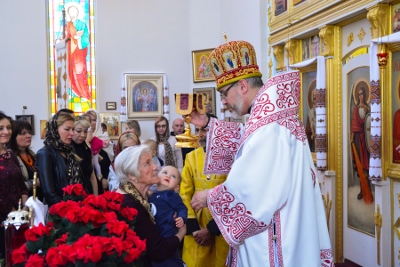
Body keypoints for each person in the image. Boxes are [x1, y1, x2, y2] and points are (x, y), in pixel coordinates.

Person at [189, 40, 333, 266]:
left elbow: (256, 187)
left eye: (224, 93)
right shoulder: (269, 119)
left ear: (243, 86)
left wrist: (211, 197)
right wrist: (209, 123)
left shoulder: (269, 128)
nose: (224, 102)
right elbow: (247, 147)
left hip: (275, 239)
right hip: (286, 227)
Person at [115, 145, 186, 267]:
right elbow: (158, 251)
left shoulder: (138, 196)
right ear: (133, 175)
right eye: (147, 163)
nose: (156, 167)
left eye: (152, 161)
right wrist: (181, 233)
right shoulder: (131, 205)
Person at [180, 120, 229, 267]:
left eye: (205, 130)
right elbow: (185, 193)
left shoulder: (230, 158)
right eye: (198, 130)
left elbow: (232, 195)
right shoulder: (191, 157)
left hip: (220, 229)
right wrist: (195, 229)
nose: (200, 135)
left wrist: (212, 229)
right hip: (196, 230)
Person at [35, 112, 85, 206]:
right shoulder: (45, 154)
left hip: (76, 206)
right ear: (55, 130)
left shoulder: (68, 151)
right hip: (59, 211)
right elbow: (49, 193)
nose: (72, 133)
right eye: (67, 129)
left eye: (73, 129)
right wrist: (69, 208)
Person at [0, 111, 28, 264]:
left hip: (16, 221)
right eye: (1, 128)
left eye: (9, 127)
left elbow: (22, 185)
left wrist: (23, 208)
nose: (6, 132)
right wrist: (10, 211)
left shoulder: (10, 155)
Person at [149, 165, 187, 266]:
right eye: (165, 173)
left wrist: (182, 218)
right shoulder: (151, 195)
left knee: (170, 257)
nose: (168, 176)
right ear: (157, 176)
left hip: (167, 233)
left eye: (173, 176)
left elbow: (182, 208)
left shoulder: (172, 196)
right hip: (156, 233)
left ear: (176, 187)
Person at [9, 120, 44, 201]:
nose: (29, 136)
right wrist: (34, 182)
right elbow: (14, 186)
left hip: (38, 200)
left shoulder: (32, 154)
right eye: (23, 133)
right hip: (23, 202)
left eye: (29, 132)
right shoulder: (11, 157)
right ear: (14, 137)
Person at [64, 2, 91, 100]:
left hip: (79, 53)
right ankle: (72, 91)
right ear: (68, 13)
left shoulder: (82, 24)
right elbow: (65, 38)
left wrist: (78, 38)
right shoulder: (67, 25)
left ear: (78, 12)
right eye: (70, 11)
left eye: (74, 11)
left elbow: (86, 38)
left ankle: (83, 93)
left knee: (80, 72)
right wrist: (71, 38)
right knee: (70, 72)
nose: (73, 13)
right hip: (70, 53)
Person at [350, 86, 372, 201]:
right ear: (357, 96)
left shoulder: (368, 109)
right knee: (359, 165)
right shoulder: (355, 109)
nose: (361, 96)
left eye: (362, 94)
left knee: (366, 166)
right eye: (359, 94)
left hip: (366, 141)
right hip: (358, 140)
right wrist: (352, 138)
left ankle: (367, 190)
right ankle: (361, 190)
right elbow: (354, 124)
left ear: (365, 95)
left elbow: (369, 124)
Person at [71, 116, 99, 196]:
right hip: (74, 196)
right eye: (79, 131)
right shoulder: (67, 150)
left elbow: (92, 175)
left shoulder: (87, 148)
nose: (83, 135)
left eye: (85, 131)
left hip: (88, 192)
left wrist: (96, 198)